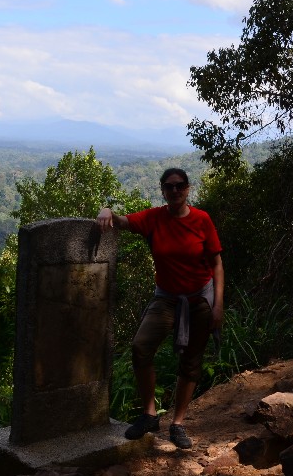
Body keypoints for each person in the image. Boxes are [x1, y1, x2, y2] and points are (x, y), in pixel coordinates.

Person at [96, 167, 224, 450]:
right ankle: (150, 414)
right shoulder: (154, 218)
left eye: (180, 186)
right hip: (166, 297)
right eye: (169, 186)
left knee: (191, 361)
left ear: (188, 189)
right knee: (141, 347)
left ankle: (177, 423)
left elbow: (216, 264)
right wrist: (106, 210)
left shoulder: (202, 220)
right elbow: (122, 221)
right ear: (163, 190)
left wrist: (218, 304)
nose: (175, 191)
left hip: (200, 299)